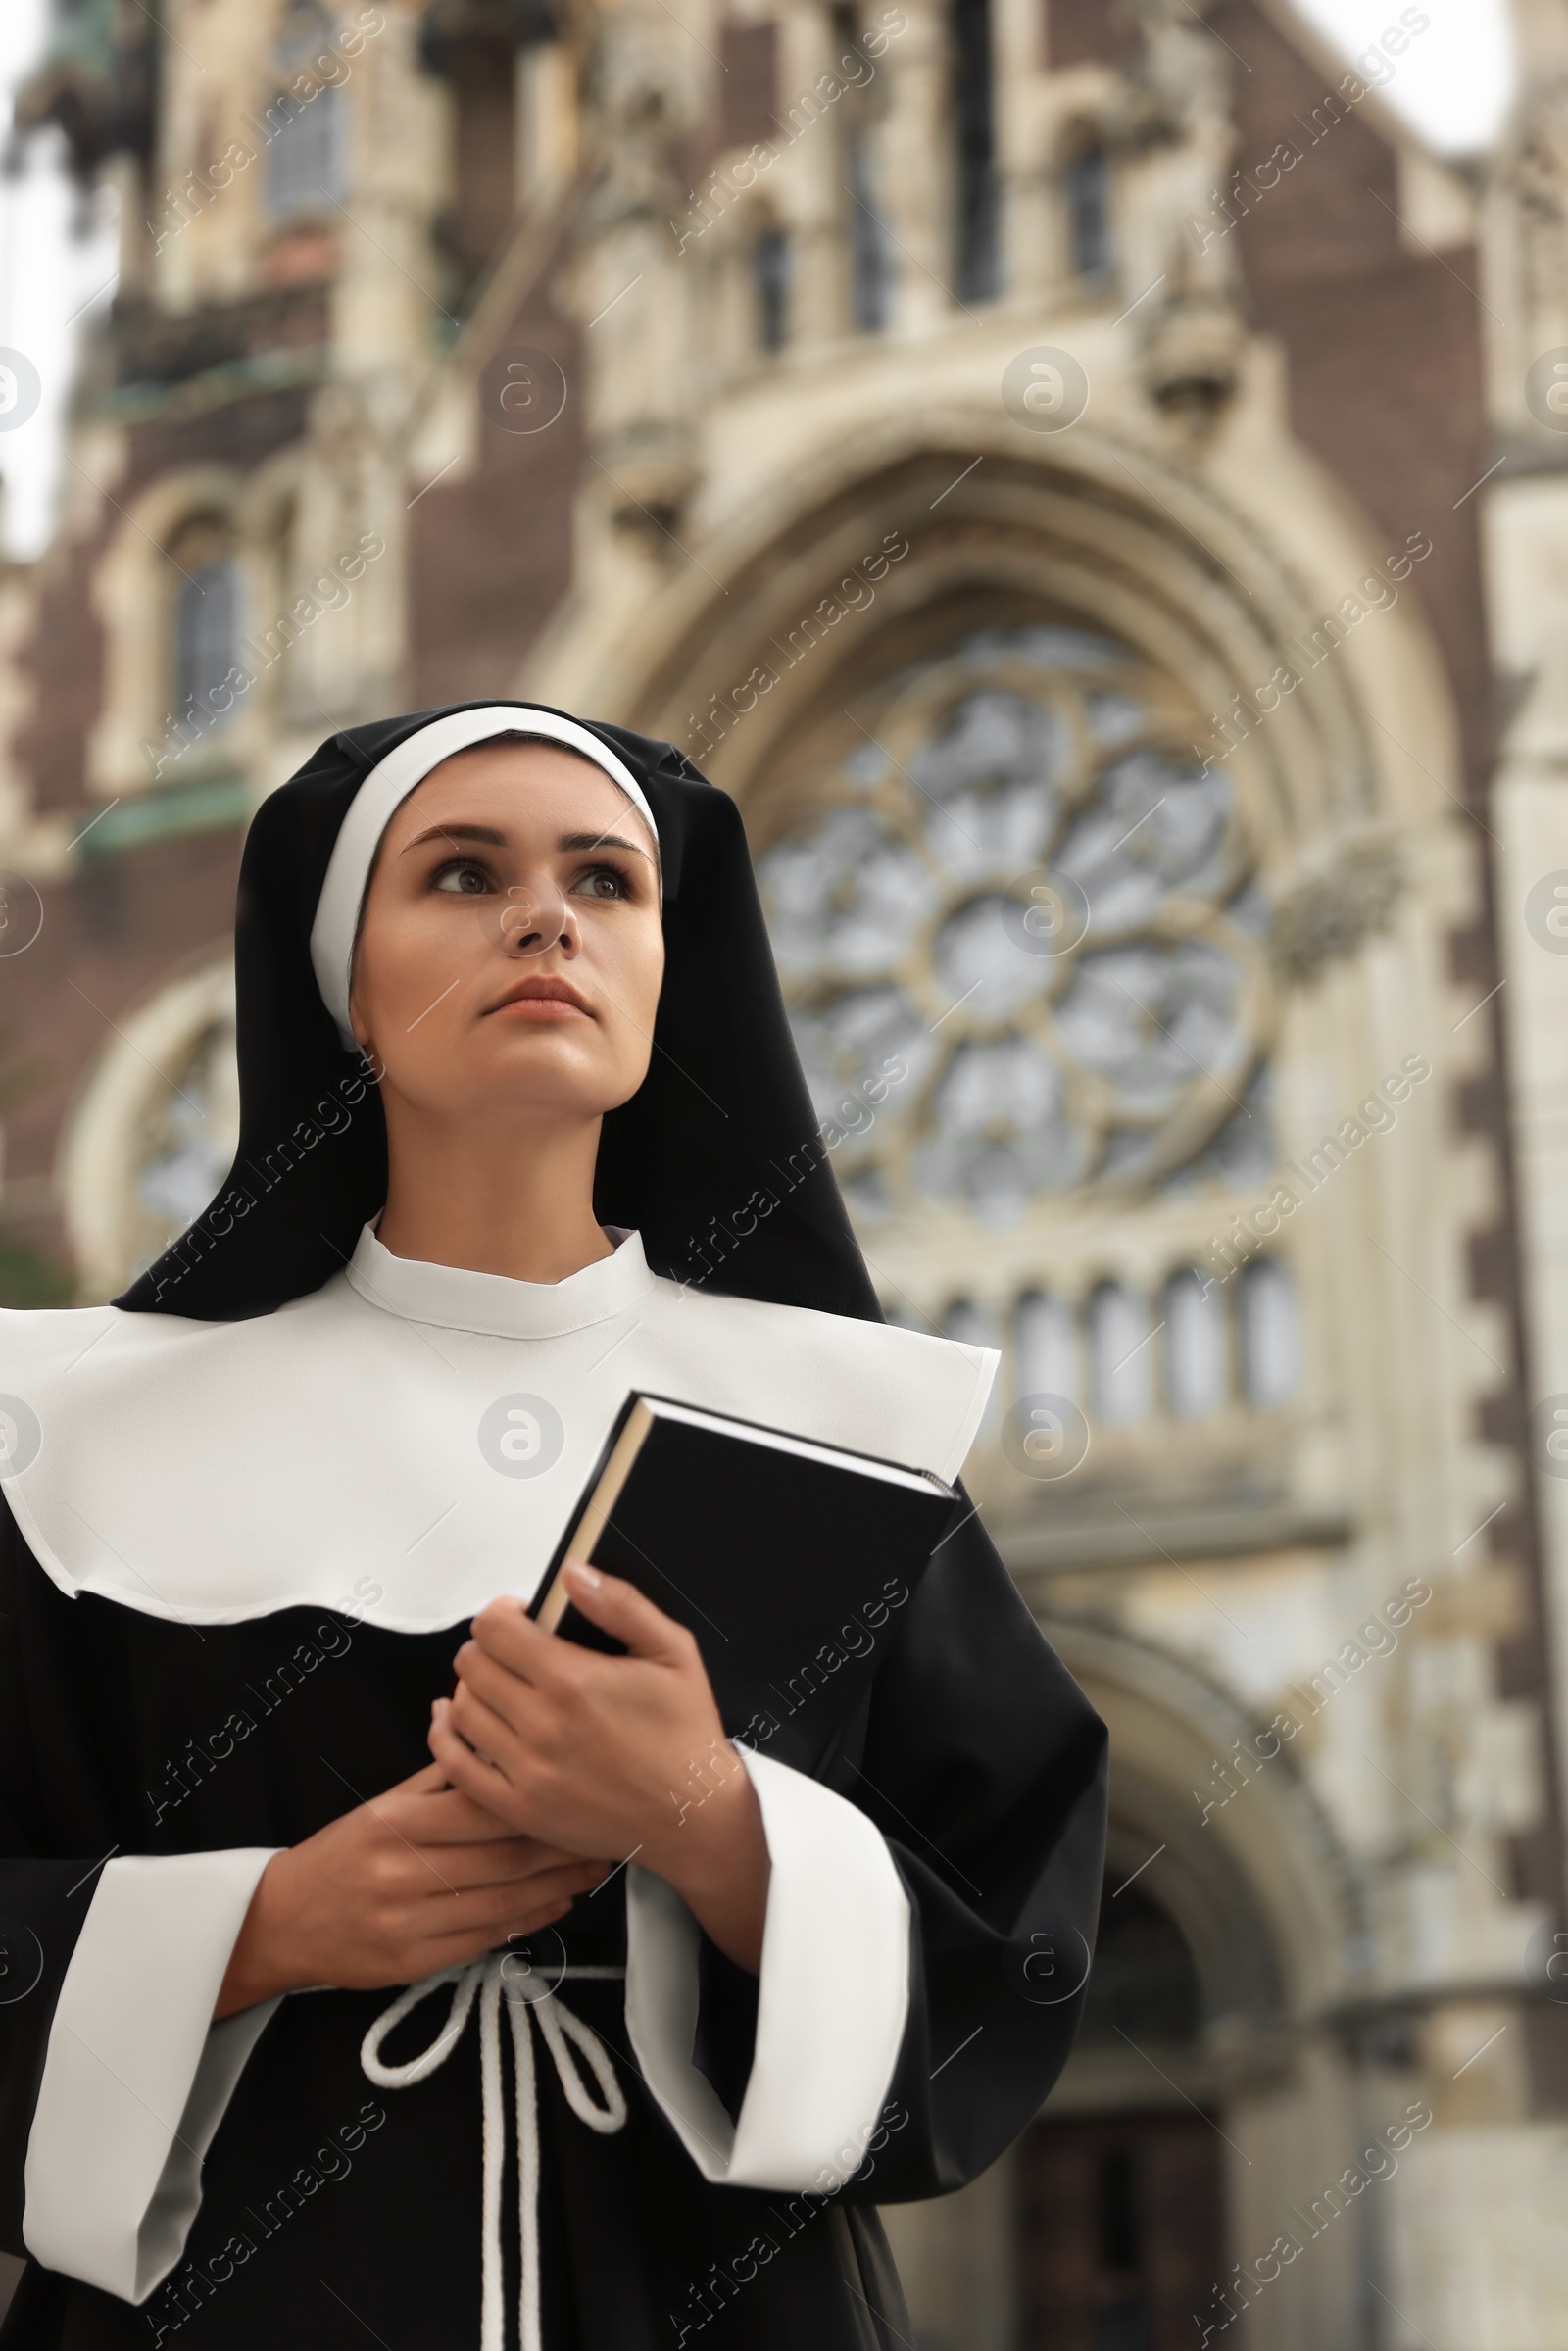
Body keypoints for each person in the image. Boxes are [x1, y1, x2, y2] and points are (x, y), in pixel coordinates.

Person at [0, 703, 1107, 2350]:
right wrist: (264, 1928)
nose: (549, 919)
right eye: (462, 873)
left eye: (607, 881)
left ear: (667, 969)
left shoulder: (831, 1427)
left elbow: (1014, 1932)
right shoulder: (77, 1439)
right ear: (341, 981)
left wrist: (713, 1825)